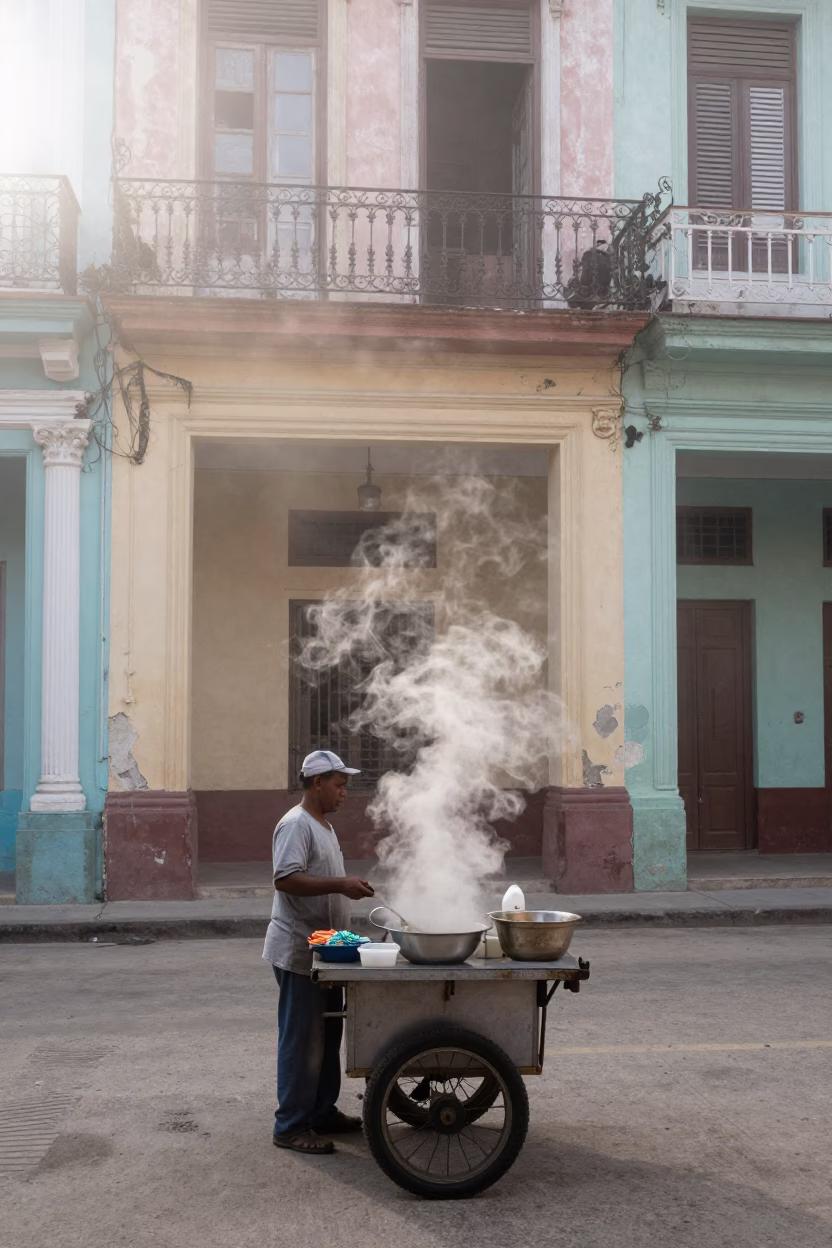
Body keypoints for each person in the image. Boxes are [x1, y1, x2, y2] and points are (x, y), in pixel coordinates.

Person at [263, 749, 375, 1155]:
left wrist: (348, 885)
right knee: (302, 1039)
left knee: (327, 1035)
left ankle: (322, 1111)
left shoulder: (323, 825)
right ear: (317, 783)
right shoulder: (296, 825)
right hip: (299, 951)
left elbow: (323, 876)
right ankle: (291, 1126)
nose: (345, 793)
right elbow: (286, 880)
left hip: (328, 950)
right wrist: (340, 884)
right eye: (340, 785)